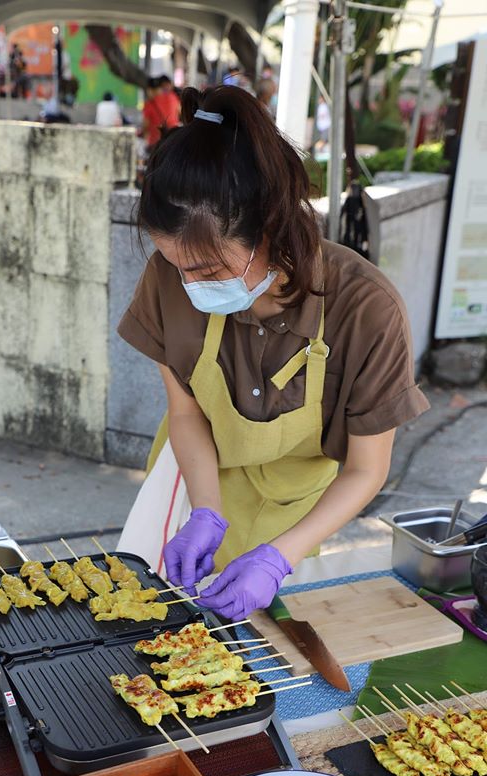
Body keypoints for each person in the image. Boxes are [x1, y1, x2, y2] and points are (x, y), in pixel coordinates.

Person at [118, 85, 429, 620]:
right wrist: (206, 512)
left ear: (271, 227)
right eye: (177, 267)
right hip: (195, 477)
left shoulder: (368, 312)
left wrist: (278, 557)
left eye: (210, 272)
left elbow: (365, 470)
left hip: (297, 507)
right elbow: (186, 412)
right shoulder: (169, 279)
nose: (189, 285)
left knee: (258, 652)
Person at [142, 75, 180, 150]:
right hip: (173, 141)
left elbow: (146, 126)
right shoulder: (173, 97)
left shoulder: (149, 104)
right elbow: (180, 112)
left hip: (156, 144)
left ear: (149, 90)